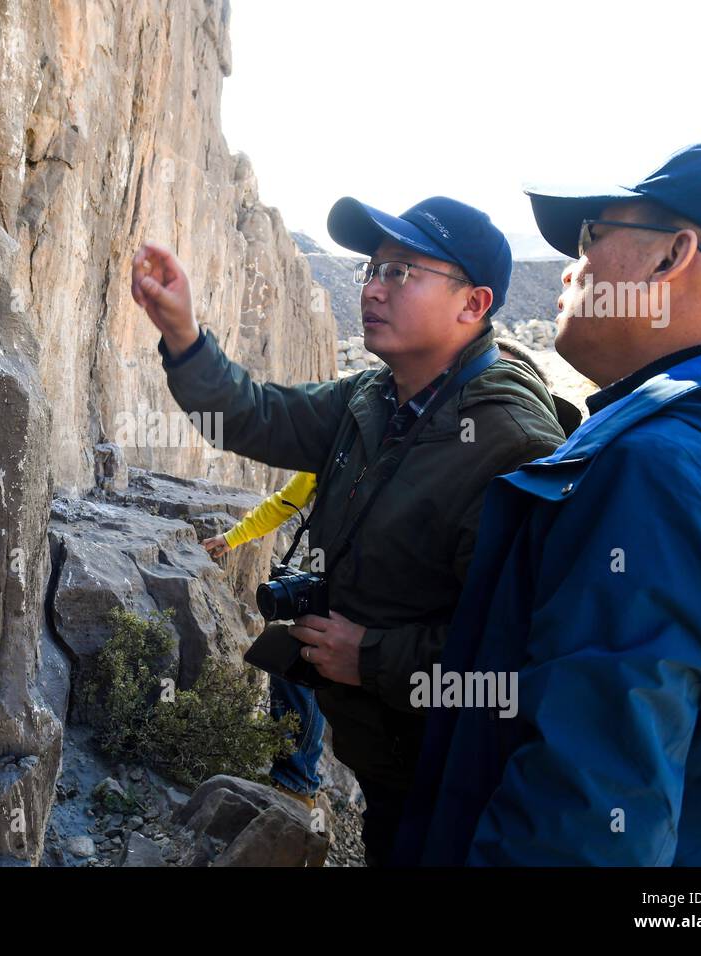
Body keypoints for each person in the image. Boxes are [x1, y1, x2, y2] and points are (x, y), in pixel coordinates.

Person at [394, 142, 701, 865]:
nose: (570, 267)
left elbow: (583, 828)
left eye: (592, 236)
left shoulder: (662, 473)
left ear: (670, 258)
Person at [131, 195, 567, 864]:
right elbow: (253, 417)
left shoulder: (506, 443)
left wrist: (373, 657)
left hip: (455, 773)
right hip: (383, 754)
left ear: (472, 305)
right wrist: (186, 337)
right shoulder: (374, 396)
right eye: (373, 268)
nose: (373, 287)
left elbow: (528, 653)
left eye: (402, 273)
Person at [202, 472, 326, 808]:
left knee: (313, 674)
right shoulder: (341, 439)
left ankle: (299, 785)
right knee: (295, 668)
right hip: (326, 582)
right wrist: (233, 537)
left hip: (378, 596)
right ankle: (294, 783)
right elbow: (285, 502)